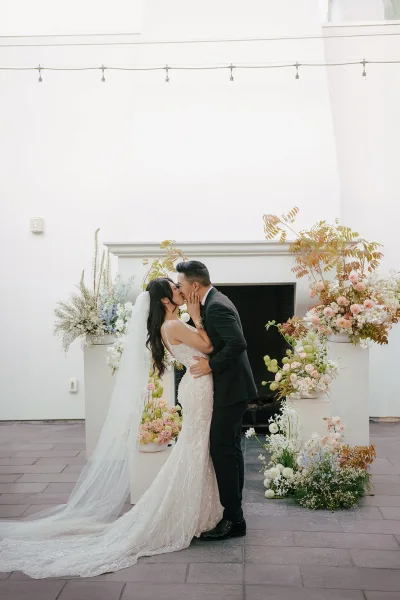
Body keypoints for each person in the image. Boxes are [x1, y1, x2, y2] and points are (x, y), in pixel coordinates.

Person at [0, 278, 223, 578]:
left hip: (195, 386)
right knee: (194, 448)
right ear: (164, 301)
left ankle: (196, 511)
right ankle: (187, 513)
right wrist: (197, 317)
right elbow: (208, 346)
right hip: (198, 387)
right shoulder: (174, 325)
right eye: (174, 289)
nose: (180, 291)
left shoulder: (168, 326)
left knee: (193, 449)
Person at [176, 261, 257, 541]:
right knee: (229, 449)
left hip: (231, 388)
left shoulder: (216, 306)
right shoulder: (213, 301)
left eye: (182, 285)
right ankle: (235, 513)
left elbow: (237, 343)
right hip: (232, 388)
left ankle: (234, 519)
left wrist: (211, 366)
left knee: (222, 449)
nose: (181, 290)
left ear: (194, 285)